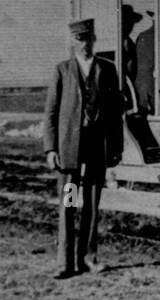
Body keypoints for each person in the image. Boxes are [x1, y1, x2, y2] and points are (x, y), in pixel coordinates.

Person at [42, 18, 123, 279]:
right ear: (72, 41)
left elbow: (115, 113)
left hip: (96, 147)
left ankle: (89, 257)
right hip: (68, 150)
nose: (84, 44)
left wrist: (116, 148)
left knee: (91, 203)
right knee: (68, 203)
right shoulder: (62, 71)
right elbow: (51, 113)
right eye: (79, 39)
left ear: (94, 39)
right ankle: (65, 262)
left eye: (87, 38)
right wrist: (50, 149)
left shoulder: (107, 69)